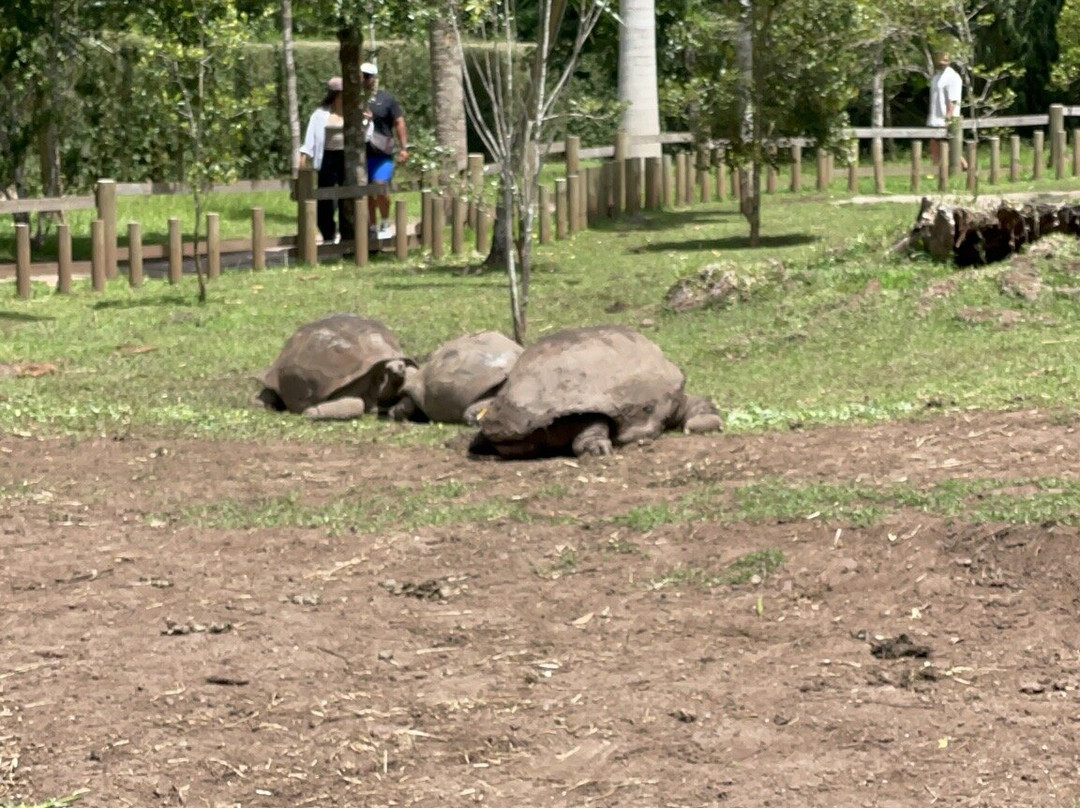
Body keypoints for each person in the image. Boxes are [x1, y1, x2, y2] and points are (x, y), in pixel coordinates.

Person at [299, 76, 352, 244]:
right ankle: (328, 234)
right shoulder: (319, 115)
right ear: (335, 95)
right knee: (325, 199)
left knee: (347, 198)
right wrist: (304, 156)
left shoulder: (352, 113)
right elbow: (310, 137)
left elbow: (364, 135)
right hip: (327, 158)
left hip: (345, 158)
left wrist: (368, 121)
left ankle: (347, 234)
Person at [360, 62, 409, 239]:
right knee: (367, 192)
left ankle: (385, 222)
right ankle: (371, 226)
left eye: (367, 76)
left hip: (382, 152)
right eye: (361, 75)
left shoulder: (386, 99)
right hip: (361, 154)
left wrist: (404, 148)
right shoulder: (353, 100)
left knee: (380, 186)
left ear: (374, 78)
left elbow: (399, 122)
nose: (363, 79)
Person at [927, 53, 967, 172]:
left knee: (948, 146)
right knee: (935, 144)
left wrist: (948, 117)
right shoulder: (937, 76)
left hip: (947, 117)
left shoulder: (952, 77)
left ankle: (964, 166)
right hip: (935, 117)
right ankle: (936, 170)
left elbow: (953, 100)